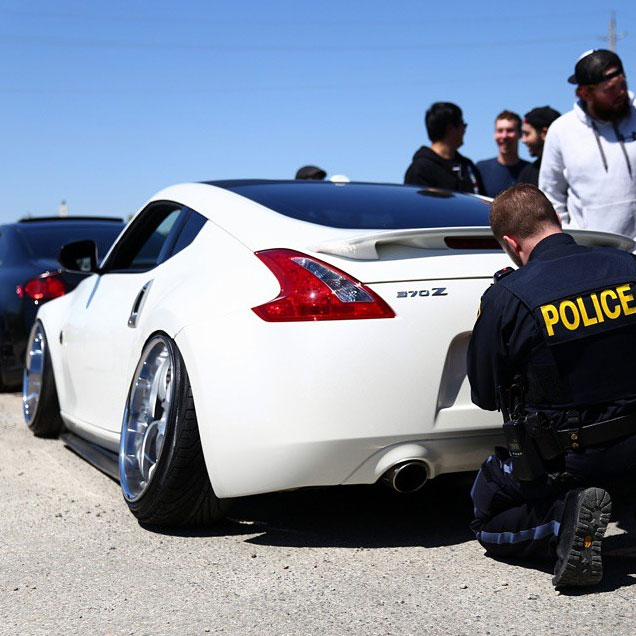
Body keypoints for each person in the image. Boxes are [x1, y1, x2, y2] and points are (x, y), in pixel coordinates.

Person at [467, 183, 636, 588]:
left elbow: (485, 395)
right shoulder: (628, 266)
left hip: (571, 460)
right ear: (556, 220)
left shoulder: (508, 296)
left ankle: (564, 522)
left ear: (510, 242)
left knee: (487, 508)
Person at [540, 49, 636, 240]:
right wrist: (567, 240)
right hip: (589, 253)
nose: (621, 93)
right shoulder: (562, 130)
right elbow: (551, 195)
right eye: (610, 89)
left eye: (623, 84)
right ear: (585, 93)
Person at [404, 102, 485, 194]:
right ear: (450, 128)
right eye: (463, 124)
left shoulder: (468, 167)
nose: (464, 129)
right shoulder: (420, 170)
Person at [477, 111, 530, 197]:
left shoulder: (530, 171)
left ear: (520, 134)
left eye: (509, 130)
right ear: (494, 134)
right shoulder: (481, 169)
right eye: (500, 131)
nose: (504, 136)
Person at [518, 106, 561, 186]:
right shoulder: (528, 174)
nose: (523, 140)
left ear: (545, 133)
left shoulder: (569, 168)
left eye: (527, 134)